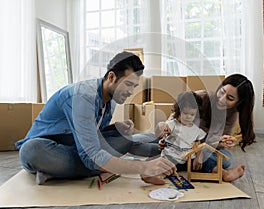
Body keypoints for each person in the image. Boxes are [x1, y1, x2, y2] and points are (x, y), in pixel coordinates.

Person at [15, 51, 176, 185]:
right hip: (49, 148)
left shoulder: (111, 100)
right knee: (32, 151)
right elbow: (91, 154)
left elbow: (91, 135)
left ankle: (172, 150)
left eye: (134, 86)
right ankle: (58, 168)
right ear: (111, 77)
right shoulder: (82, 96)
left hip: (78, 148)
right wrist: (142, 167)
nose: (131, 91)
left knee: (125, 137)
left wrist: (114, 128)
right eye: (128, 84)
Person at [156, 74, 255, 182]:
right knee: (145, 143)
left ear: (238, 102)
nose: (221, 99)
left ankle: (221, 172)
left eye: (230, 98)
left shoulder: (231, 115)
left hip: (196, 148)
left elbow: (213, 141)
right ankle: (176, 163)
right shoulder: (200, 97)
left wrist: (220, 143)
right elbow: (173, 120)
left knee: (227, 159)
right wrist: (165, 136)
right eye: (222, 92)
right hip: (175, 141)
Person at [142, 91, 206, 184]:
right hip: (171, 157)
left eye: (192, 115)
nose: (188, 117)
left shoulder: (196, 130)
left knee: (201, 165)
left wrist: (198, 157)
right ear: (178, 111)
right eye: (185, 113)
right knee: (165, 167)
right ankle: (156, 176)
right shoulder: (173, 124)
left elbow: (198, 144)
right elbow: (161, 132)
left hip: (187, 160)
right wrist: (162, 127)